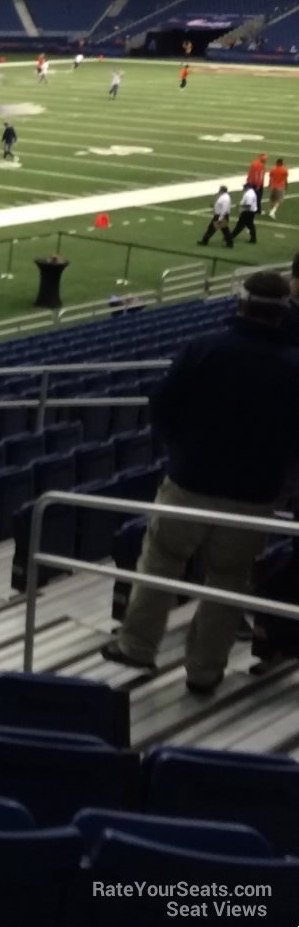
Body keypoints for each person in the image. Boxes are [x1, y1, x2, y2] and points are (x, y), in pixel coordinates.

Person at [102, 271, 299, 693]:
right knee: (227, 583)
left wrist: (180, 449)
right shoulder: (291, 368)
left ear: (241, 304)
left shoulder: (205, 349)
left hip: (191, 481)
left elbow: (163, 404)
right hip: (253, 494)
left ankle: (137, 646)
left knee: (159, 562)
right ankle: (205, 671)